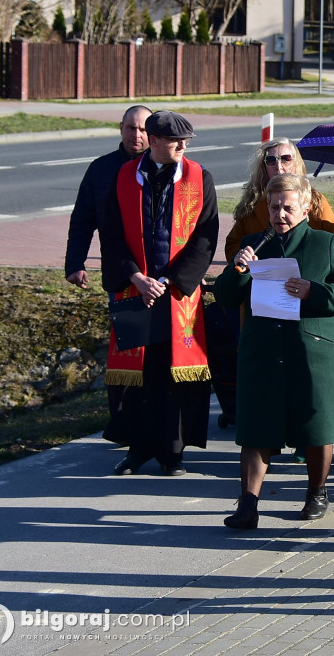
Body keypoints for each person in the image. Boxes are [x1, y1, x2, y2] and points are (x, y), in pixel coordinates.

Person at [216, 173, 334, 526]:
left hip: (312, 350)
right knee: (256, 428)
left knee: (316, 426)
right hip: (263, 349)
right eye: (274, 207)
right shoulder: (253, 244)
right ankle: (247, 505)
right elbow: (225, 296)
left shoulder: (325, 243)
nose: (280, 214)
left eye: (288, 208)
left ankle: (316, 492)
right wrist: (238, 269)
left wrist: (313, 291)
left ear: (306, 208)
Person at [101, 110, 219, 477]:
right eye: (175, 141)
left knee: (173, 375)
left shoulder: (199, 177)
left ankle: (172, 451)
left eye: (186, 141)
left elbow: (205, 238)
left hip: (177, 293)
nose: (183, 146)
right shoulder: (123, 176)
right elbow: (111, 234)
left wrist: (169, 281)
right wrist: (136, 277)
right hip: (135, 289)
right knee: (140, 375)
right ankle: (138, 449)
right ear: (154, 141)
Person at [65, 105, 151, 289]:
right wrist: (74, 264)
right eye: (131, 128)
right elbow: (82, 221)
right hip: (117, 271)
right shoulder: (101, 168)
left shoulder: (165, 169)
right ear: (121, 128)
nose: (136, 135)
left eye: (143, 130)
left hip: (158, 272)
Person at [224, 138, 334, 263]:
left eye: (286, 159)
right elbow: (233, 246)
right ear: (264, 166)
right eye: (271, 160)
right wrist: (248, 260)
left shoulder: (315, 201)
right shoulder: (252, 203)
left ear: (296, 163)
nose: (278, 167)